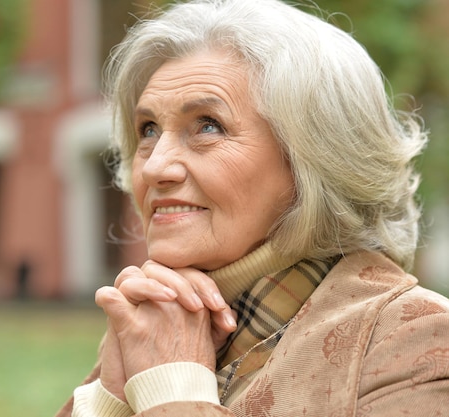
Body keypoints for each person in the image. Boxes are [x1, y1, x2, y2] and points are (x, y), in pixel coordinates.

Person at [56, 0, 449, 415]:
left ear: (314, 158)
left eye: (208, 125)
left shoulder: (416, 338)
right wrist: (110, 402)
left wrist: (172, 392)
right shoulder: (151, 325)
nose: (154, 166)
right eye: (148, 130)